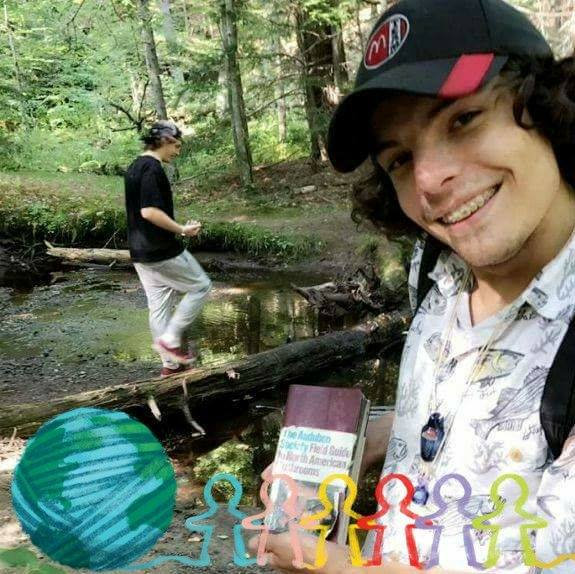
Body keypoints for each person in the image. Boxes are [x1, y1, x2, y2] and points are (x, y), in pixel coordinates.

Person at [250, 0, 575, 572]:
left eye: (463, 119)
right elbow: (452, 411)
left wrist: (333, 566)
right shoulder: (434, 268)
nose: (428, 180)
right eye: (400, 158)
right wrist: (353, 446)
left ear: (550, 107)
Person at [124, 120, 212, 377]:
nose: (177, 151)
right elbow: (149, 211)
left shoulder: (134, 166)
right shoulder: (152, 168)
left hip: (140, 252)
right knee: (201, 286)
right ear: (164, 140)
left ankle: (170, 367)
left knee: (159, 306)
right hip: (160, 249)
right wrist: (182, 229)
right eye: (177, 146)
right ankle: (170, 339)